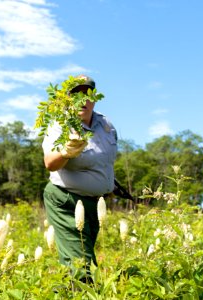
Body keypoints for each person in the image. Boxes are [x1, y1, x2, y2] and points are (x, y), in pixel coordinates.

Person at [42, 75, 117, 281]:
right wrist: (66, 152)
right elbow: (50, 163)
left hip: (94, 204)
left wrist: (109, 186)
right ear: (67, 99)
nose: (82, 100)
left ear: (94, 98)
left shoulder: (106, 125)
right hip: (67, 200)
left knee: (79, 262)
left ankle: (65, 293)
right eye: (76, 95)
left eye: (87, 94)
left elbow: (105, 162)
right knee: (80, 266)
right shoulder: (60, 125)